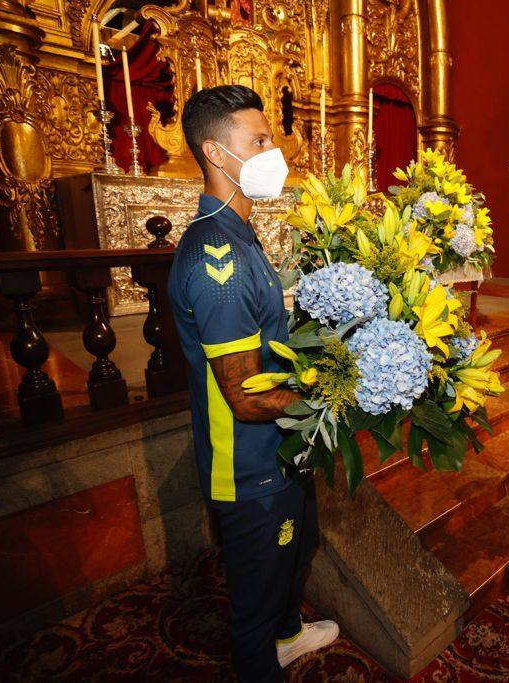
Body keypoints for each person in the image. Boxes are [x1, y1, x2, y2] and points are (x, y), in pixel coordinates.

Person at [168, 85, 338, 682]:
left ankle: (288, 636)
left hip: (281, 449)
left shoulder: (241, 235)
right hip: (248, 466)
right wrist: (335, 402)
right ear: (216, 153)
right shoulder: (217, 259)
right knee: (255, 594)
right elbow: (244, 396)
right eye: (260, 140)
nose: (275, 151)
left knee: (295, 556)